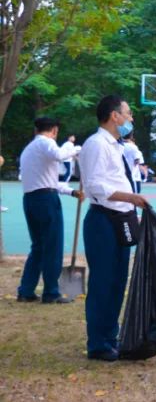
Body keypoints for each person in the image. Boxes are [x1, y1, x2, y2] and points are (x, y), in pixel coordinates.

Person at [80, 95, 150, 361]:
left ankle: (111, 336)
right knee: (103, 281)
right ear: (114, 116)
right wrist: (131, 198)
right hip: (103, 221)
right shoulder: (97, 144)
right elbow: (95, 186)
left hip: (121, 219)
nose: (130, 118)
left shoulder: (117, 146)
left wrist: (131, 209)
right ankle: (98, 343)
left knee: (118, 281)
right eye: (128, 113)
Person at [16, 116, 84, 304]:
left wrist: (71, 191)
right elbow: (60, 155)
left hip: (31, 199)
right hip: (46, 201)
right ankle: (51, 293)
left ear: (35, 130)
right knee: (52, 246)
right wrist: (75, 148)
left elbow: (49, 182)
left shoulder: (29, 149)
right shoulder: (46, 143)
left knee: (38, 247)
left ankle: (26, 291)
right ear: (54, 130)